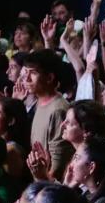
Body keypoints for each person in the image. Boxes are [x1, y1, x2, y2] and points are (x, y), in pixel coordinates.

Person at [21, 50, 74, 179]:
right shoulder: (39, 102)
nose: (26, 79)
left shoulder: (58, 110)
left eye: (33, 73)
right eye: (26, 72)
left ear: (49, 78)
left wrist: (43, 180)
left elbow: (58, 165)